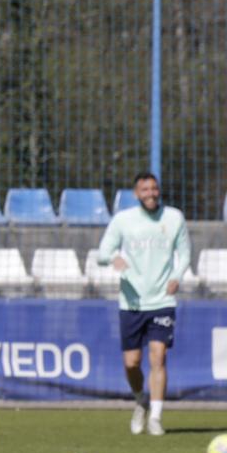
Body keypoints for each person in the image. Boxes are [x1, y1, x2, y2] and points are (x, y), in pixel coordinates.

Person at [93, 173, 190, 436]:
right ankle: (140, 401)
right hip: (131, 302)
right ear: (137, 194)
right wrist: (113, 259)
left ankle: (156, 417)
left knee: (159, 356)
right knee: (132, 363)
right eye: (145, 189)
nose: (151, 193)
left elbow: (185, 253)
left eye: (154, 188)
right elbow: (102, 252)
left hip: (162, 300)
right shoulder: (123, 220)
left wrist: (177, 276)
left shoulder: (174, 218)